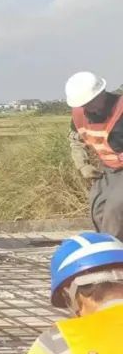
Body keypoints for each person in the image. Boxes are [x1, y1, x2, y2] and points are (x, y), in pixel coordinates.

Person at [67, 71, 123, 239]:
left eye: (92, 102)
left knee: (115, 208)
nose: (90, 108)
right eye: (85, 104)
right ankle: (106, 243)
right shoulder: (79, 115)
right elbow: (76, 141)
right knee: (97, 206)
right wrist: (83, 165)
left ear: (102, 94)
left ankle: (114, 248)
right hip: (109, 169)